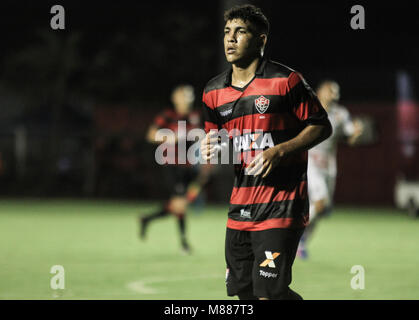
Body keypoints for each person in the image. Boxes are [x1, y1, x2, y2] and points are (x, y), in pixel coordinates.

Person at [200, 4, 332, 300]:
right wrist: (210, 148)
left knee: (269, 293)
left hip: (282, 206)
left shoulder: (286, 81)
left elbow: (322, 126)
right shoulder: (212, 92)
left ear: (261, 40)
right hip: (240, 209)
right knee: (243, 294)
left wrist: (280, 151)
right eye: (226, 33)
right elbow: (223, 148)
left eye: (240, 32)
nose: (230, 39)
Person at [139, 84, 210, 254]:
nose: (186, 99)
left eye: (188, 96)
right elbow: (150, 135)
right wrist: (170, 137)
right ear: (175, 98)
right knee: (180, 203)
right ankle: (184, 243)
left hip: (189, 166)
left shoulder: (195, 116)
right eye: (182, 95)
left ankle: (147, 219)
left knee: (181, 203)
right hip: (171, 165)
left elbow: (204, 135)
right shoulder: (168, 116)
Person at [297, 80, 363, 259]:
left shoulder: (340, 114)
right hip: (310, 162)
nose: (333, 95)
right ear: (320, 91)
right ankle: (294, 236)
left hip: (328, 167)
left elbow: (350, 139)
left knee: (321, 209)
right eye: (329, 91)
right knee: (319, 202)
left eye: (335, 92)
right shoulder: (308, 109)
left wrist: (356, 133)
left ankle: (301, 243)